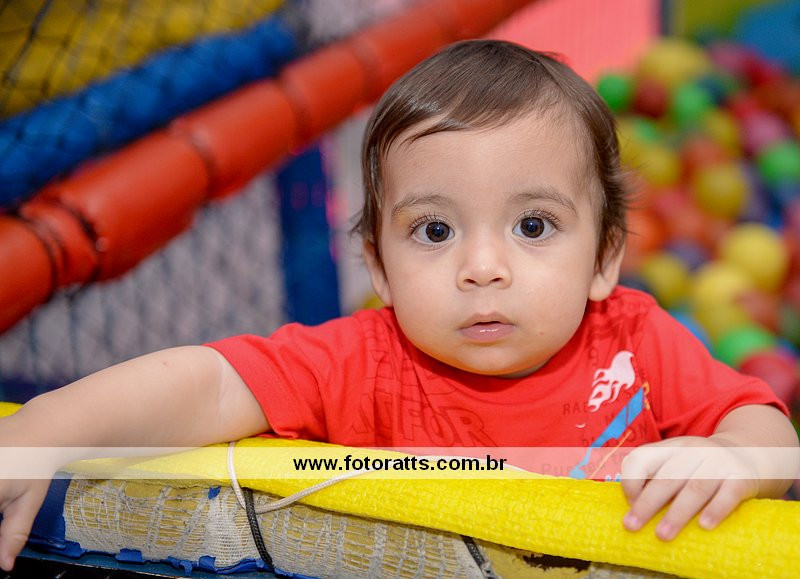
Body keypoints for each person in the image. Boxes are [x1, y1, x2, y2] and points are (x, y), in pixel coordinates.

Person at [0, 39, 797, 572]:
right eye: (434, 230)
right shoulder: (364, 360)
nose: (481, 268)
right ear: (380, 267)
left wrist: (737, 459)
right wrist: (47, 428)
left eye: (532, 225)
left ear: (605, 258)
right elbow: (208, 384)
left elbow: (769, 431)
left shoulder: (634, 339)